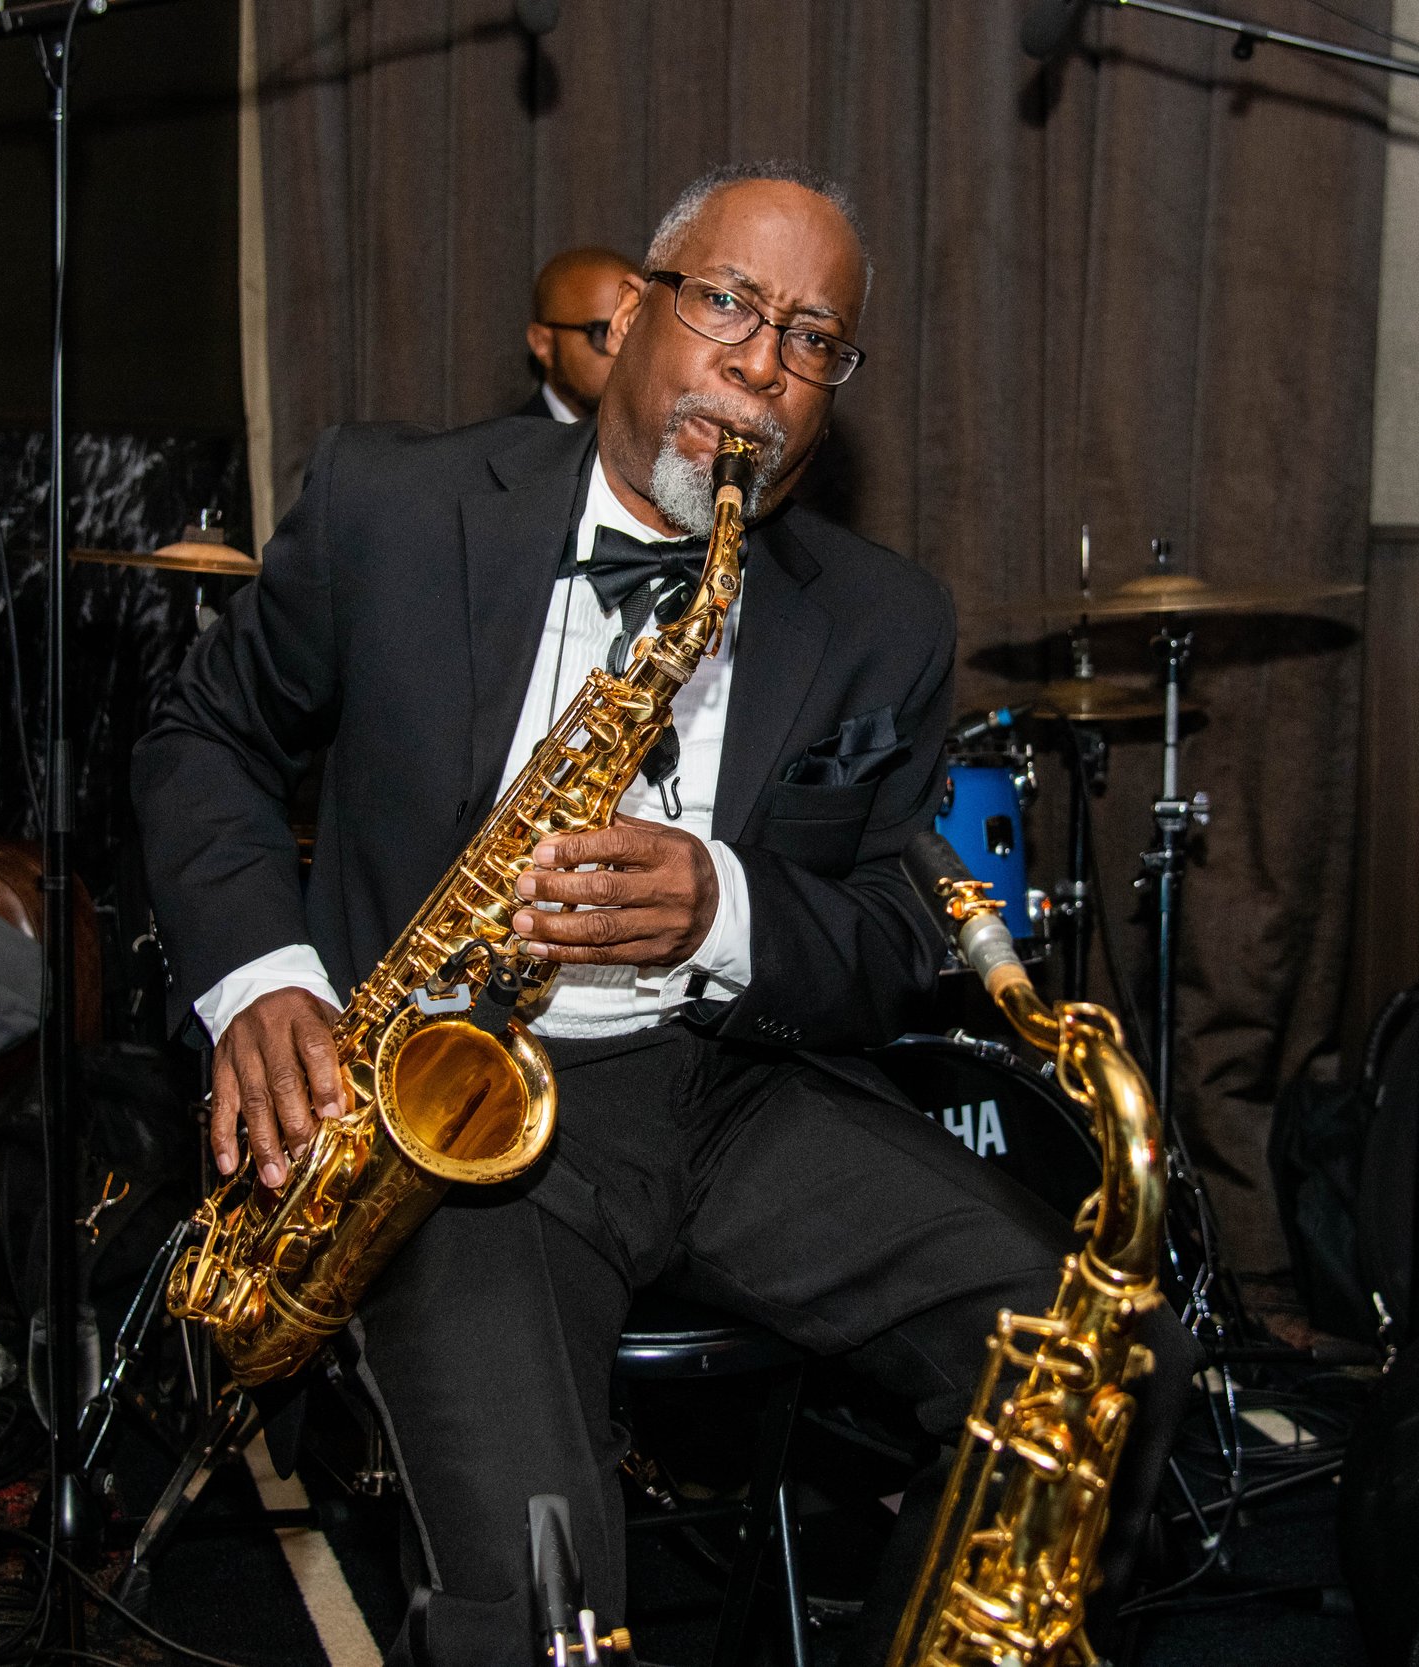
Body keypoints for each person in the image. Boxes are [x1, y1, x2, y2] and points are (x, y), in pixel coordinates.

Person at [134, 160, 1193, 1667]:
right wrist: (262, 982)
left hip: (728, 1090)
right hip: (447, 1101)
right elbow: (202, 737)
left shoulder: (882, 616)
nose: (763, 366)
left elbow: (894, 936)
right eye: (730, 305)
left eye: (814, 339)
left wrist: (727, 904)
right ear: (630, 315)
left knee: (1114, 1356)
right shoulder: (391, 500)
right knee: (544, 1588)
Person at [519, 246, 634, 421]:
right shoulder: (510, 446)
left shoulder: (667, 442)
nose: (624, 351)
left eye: (634, 332)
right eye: (603, 333)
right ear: (542, 343)